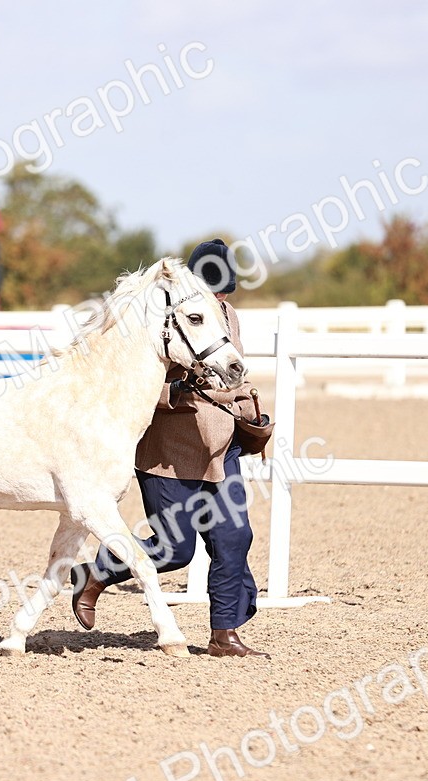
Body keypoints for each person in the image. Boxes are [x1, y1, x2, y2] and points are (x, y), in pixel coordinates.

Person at [69, 238, 272, 658]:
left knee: (235, 538)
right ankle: (95, 574)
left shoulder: (228, 317)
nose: (217, 302)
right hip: (169, 453)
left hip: (221, 450)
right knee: (174, 549)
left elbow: (233, 372)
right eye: (210, 293)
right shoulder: (160, 321)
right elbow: (132, 386)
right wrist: (176, 393)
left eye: (222, 294)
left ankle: (224, 635)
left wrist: (250, 405)